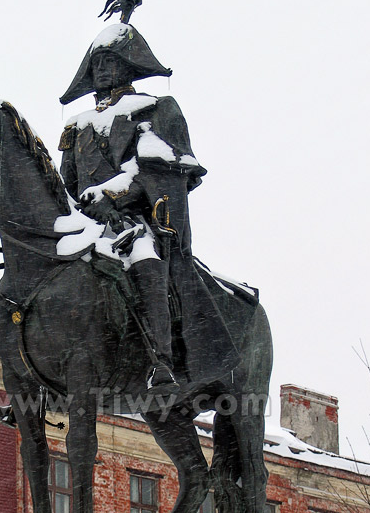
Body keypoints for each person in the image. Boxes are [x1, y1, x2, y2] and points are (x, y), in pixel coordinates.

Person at [59, 21, 239, 392]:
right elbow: (69, 181)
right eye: (97, 63)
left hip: (136, 219)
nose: (104, 70)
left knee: (146, 262)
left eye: (112, 61)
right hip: (87, 221)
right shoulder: (78, 125)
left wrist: (112, 197)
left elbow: (156, 169)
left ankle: (161, 360)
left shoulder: (152, 109)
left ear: (130, 64)